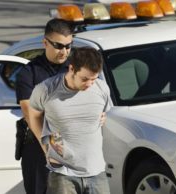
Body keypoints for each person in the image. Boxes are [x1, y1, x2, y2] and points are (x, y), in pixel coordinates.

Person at [29, 47, 112, 194]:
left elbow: (103, 114)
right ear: (72, 68)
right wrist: (46, 146)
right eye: (85, 79)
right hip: (62, 172)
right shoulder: (46, 89)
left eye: (93, 78)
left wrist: (102, 117)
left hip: (96, 171)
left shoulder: (101, 88)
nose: (89, 84)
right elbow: (34, 115)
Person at [15, 18, 73, 194]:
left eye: (68, 46)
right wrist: (50, 149)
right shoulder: (28, 73)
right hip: (39, 148)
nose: (64, 51)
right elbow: (30, 114)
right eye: (59, 45)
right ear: (45, 43)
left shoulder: (76, 70)